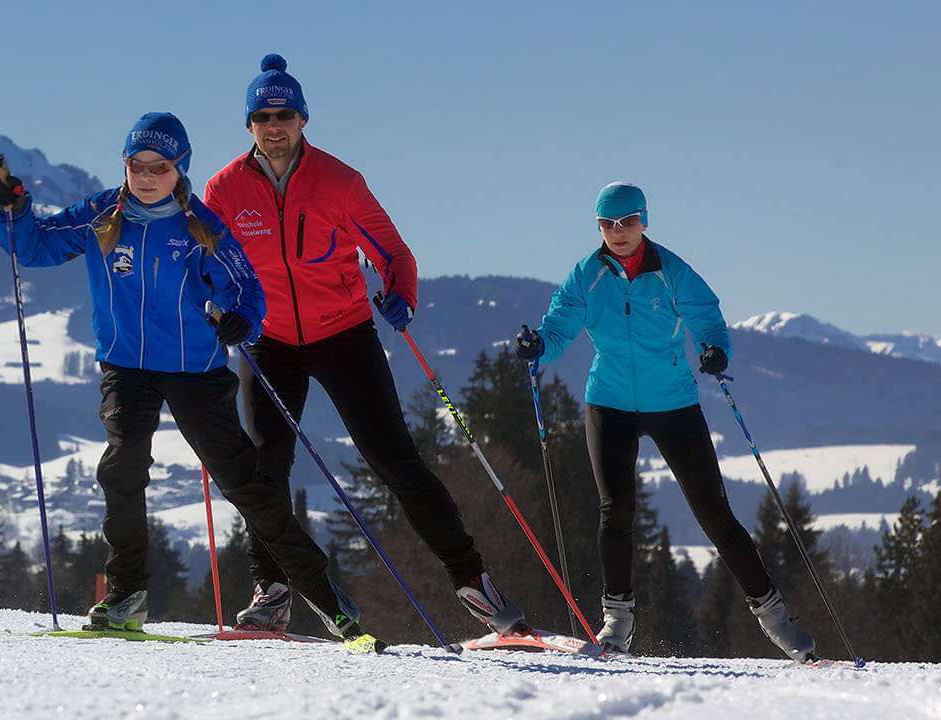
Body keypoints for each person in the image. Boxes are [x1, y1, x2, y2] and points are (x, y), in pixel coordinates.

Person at [0, 112, 377, 649]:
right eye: (136, 165)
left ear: (180, 169)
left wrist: (245, 319)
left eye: (160, 166)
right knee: (122, 469)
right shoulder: (101, 214)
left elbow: (248, 290)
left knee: (245, 484)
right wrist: (15, 210)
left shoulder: (203, 228)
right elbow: (33, 248)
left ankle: (327, 599)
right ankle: (126, 597)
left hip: (195, 372)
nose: (146, 176)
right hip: (126, 368)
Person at [202, 53, 529, 637]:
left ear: (303, 120)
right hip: (269, 339)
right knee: (264, 468)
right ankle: (272, 590)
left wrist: (400, 294)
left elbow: (394, 253)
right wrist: (217, 306)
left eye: (284, 114)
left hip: (344, 334)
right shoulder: (224, 188)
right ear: (248, 125)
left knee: (395, 462)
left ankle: (471, 580)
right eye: (262, 116)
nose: (273, 126)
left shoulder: (340, 182)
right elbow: (211, 262)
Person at [513, 181, 817, 662]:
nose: (618, 232)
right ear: (598, 227)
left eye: (627, 222)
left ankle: (777, 620)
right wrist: (538, 346)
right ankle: (616, 625)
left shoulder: (672, 272)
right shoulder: (586, 276)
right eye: (607, 224)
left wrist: (715, 350)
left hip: (673, 404)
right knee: (617, 512)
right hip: (608, 404)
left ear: (644, 222)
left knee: (715, 514)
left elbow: (708, 318)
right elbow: (558, 327)